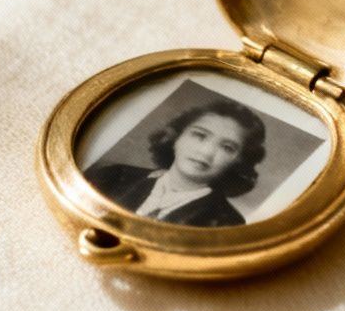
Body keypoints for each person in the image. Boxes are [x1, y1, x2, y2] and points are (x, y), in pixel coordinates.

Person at [84, 97, 267, 227]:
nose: (207, 152)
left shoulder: (227, 223)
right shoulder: (115, 175)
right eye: (200, 135)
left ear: (239, 162)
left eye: (227, 148)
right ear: (176, 136)